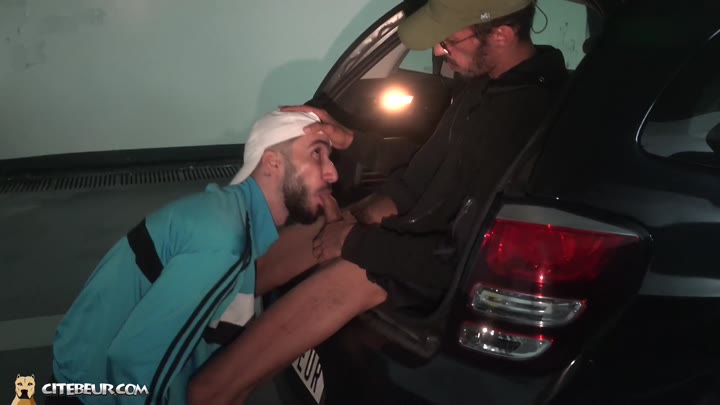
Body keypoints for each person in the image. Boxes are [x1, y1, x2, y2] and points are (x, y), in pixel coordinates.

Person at [188, 0, 570, 403]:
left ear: (502, 34)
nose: (439, 49)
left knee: (209, 388)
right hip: (399, 234)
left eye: (449, 39)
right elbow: (426, 168)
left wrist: (353, 241)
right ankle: (185, 336)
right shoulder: (487, 84)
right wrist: (352, 146)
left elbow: (458, 262)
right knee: (242, 276)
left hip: (412, 273)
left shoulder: (527, 117)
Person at [47, 110, 340, 405]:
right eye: (316, 154)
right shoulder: (224, 241)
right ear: (272, 162)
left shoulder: (229, 215)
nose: (332, 173)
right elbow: (136, 365)